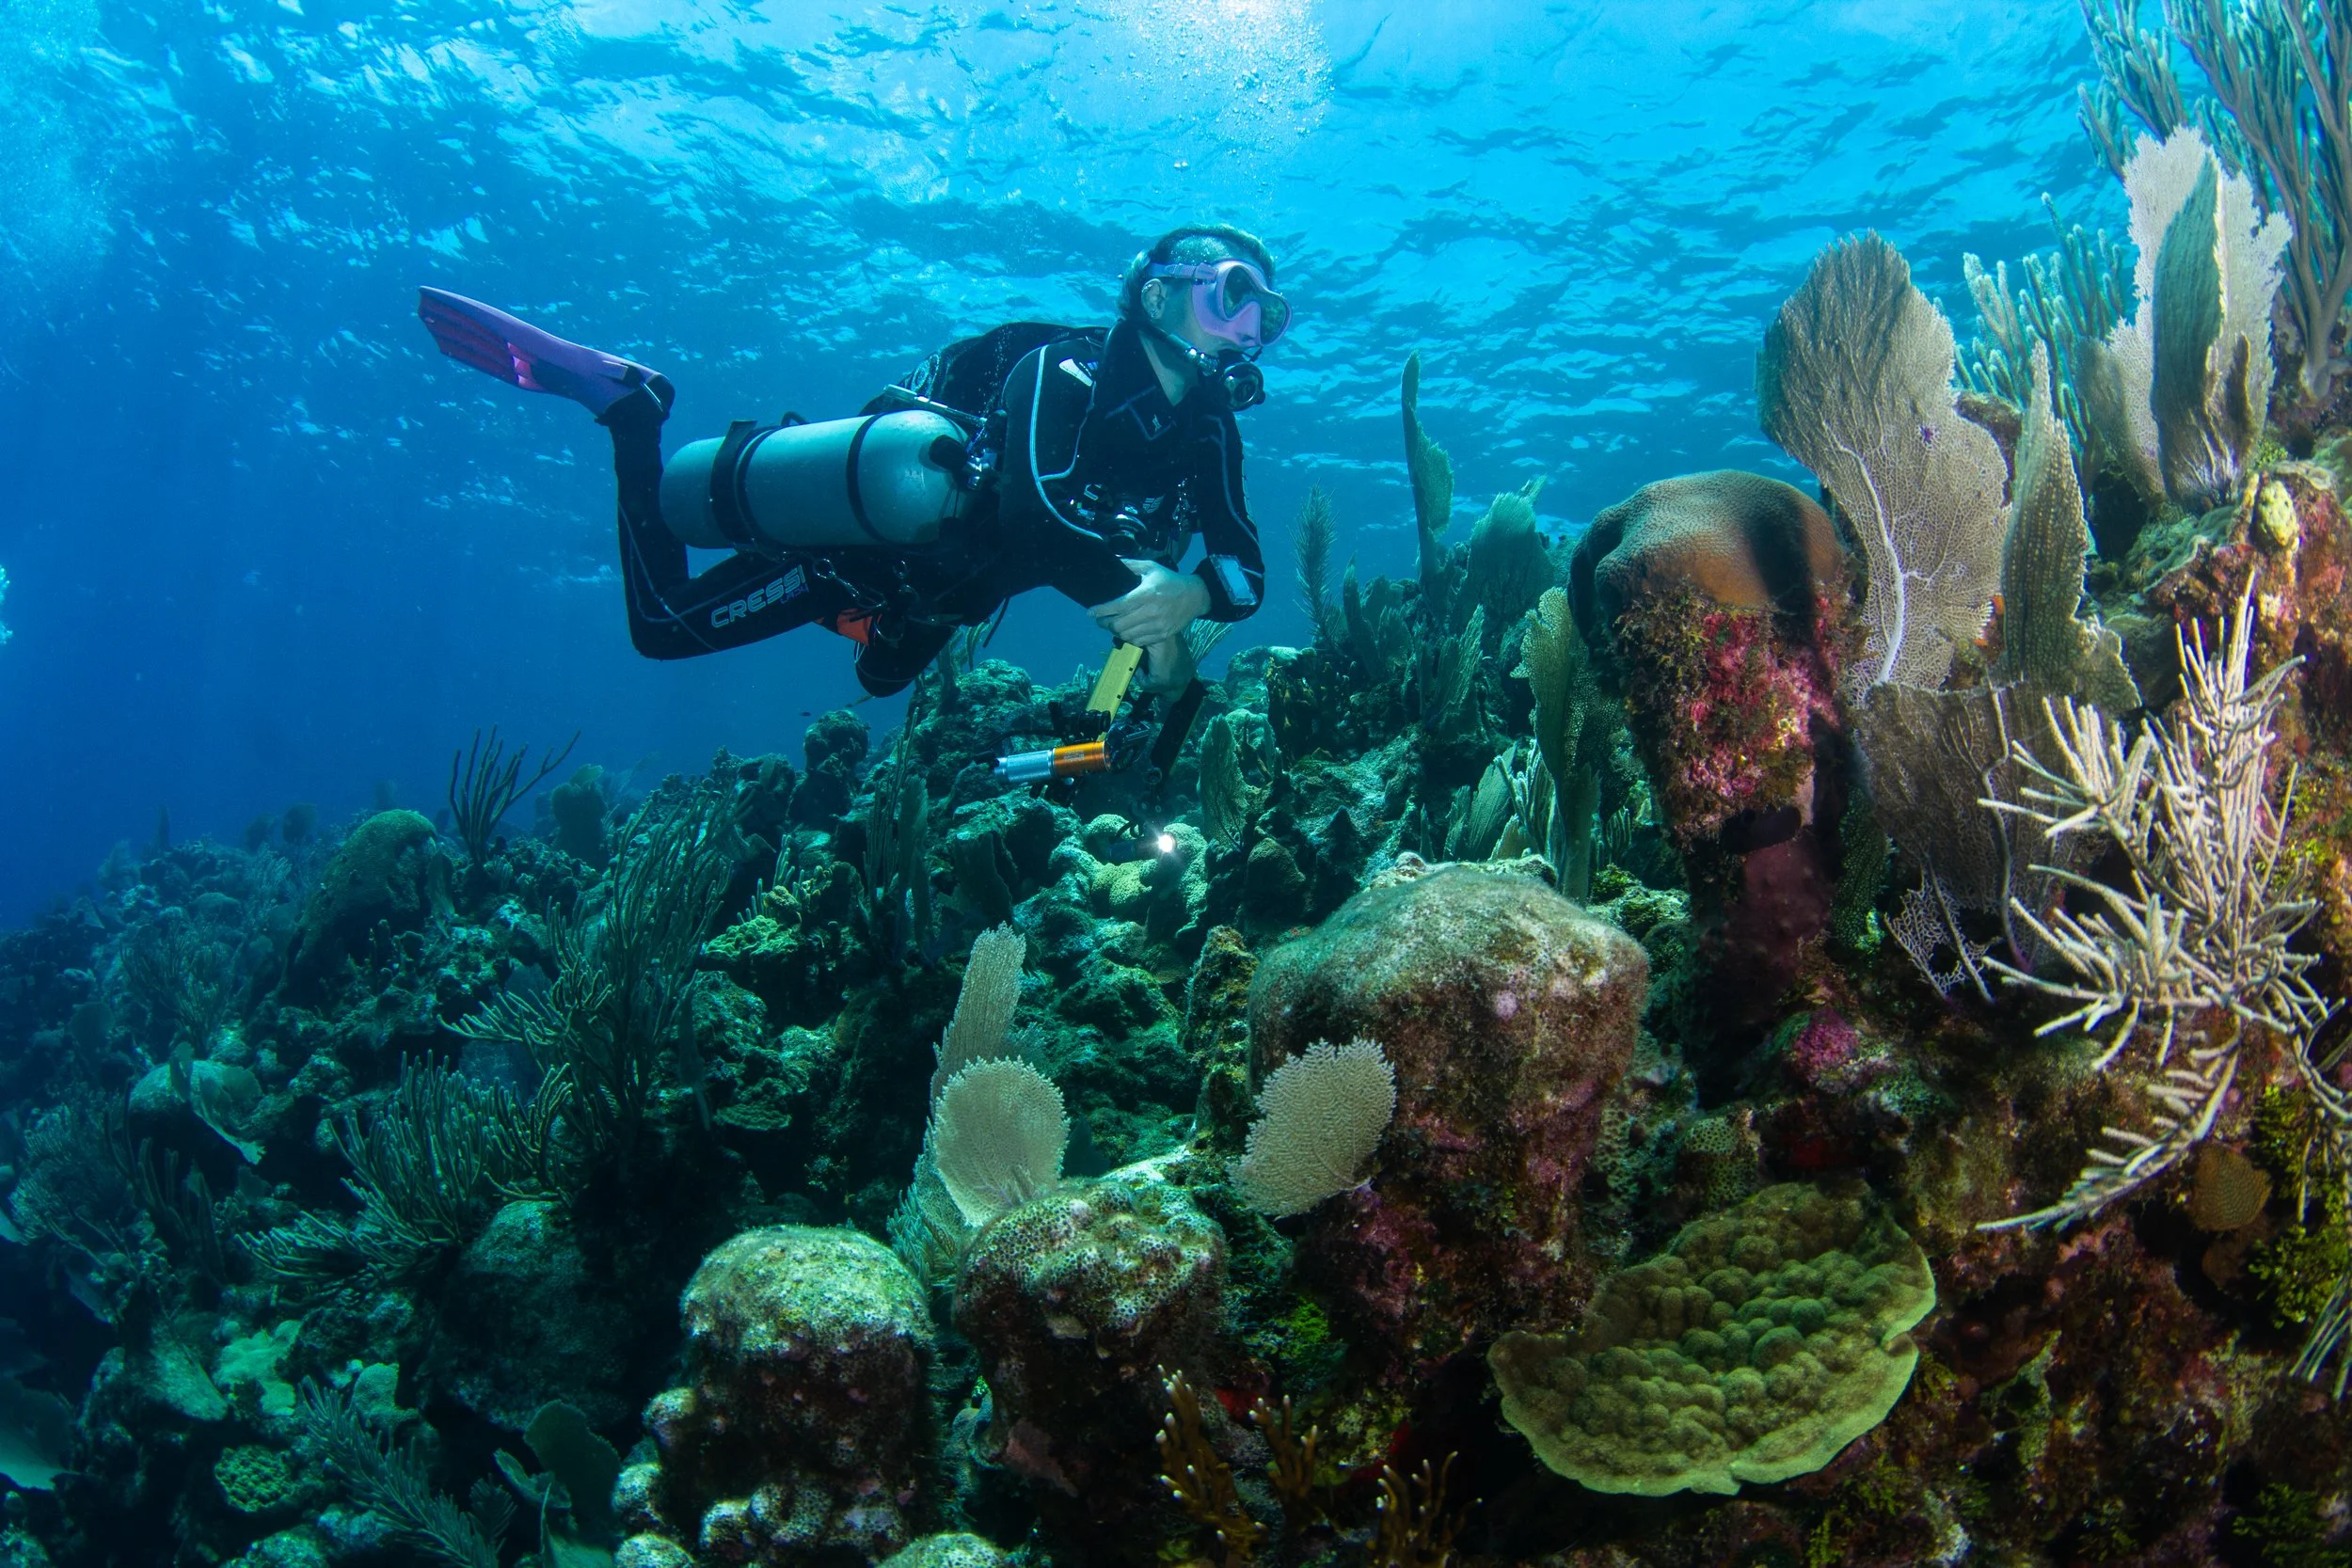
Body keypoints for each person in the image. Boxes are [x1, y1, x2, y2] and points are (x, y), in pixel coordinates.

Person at [418, 223, 1285, 699]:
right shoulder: (1064, 369)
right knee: (661, 628)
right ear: (1157, 292)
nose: (1250, 328)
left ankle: (859, 620)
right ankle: (631, 413)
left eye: (1268, 315)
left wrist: (1189, 598)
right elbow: (1031, 518)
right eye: (1233, 294)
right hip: (858, 549)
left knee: (881, 678)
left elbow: (1244, 568)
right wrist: (1153, 607)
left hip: (940, 590)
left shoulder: (1209, 429)